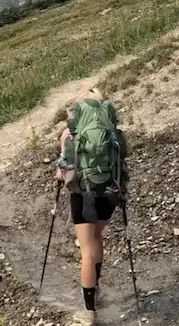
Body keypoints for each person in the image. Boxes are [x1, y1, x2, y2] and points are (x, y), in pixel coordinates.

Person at [54, 98, 127, 325]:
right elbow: (123, 159)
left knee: (86, 250)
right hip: (109, 196)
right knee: (97, 238)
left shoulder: (72, 137)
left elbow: (61, 174)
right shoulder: (113, 135)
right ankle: (96, 289)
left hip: (83, 197)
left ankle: (88, 311)